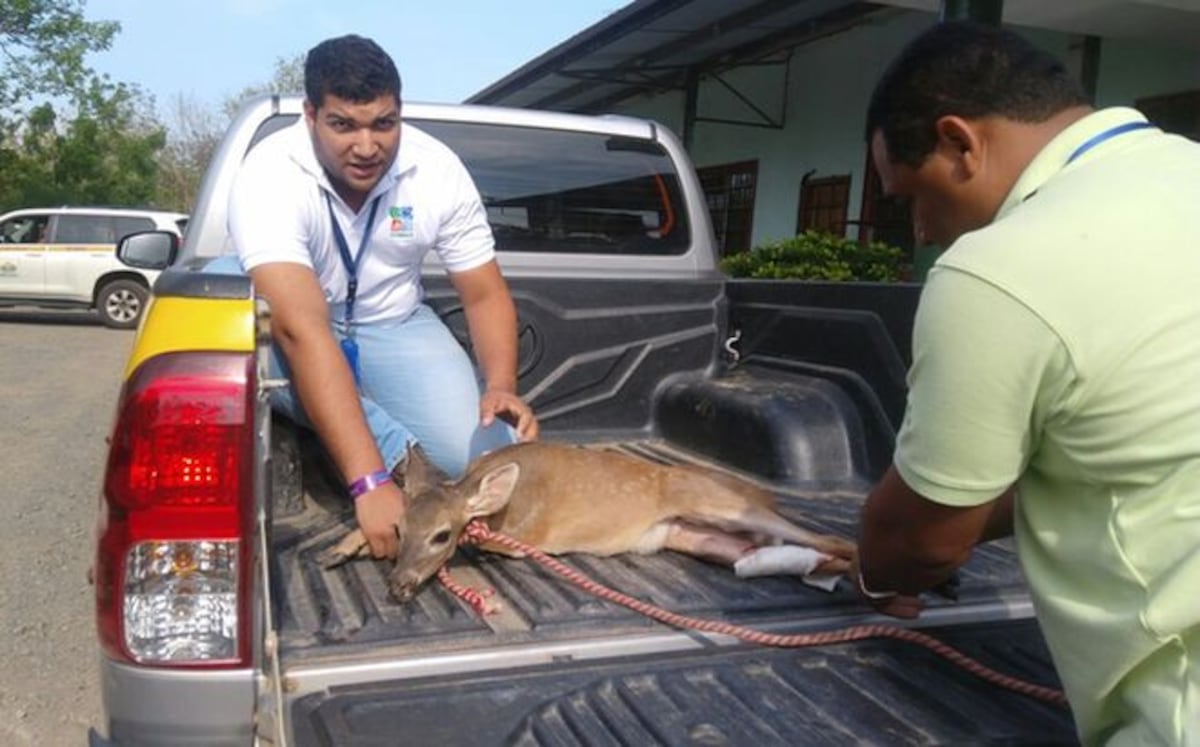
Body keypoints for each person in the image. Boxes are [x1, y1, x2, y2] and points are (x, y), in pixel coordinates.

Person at [854, 21, 1200, 746]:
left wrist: (873, 560)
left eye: (910, 196)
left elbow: (917, 546)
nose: (918, 230)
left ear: (959, 142)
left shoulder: (998, 269)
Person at [223, 34, 539, 561]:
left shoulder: (435, 170)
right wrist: (371, 479)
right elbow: (301, 329)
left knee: (484, 460)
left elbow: (483, 294)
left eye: (383, 124)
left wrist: (501, 384)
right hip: (293, 324)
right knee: (222, 306)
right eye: (344, 124)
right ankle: (390, 450)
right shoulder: (270, 173)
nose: (367, 147)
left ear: (399, 112)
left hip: (393, 323)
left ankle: (338, 422)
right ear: (310, 115)